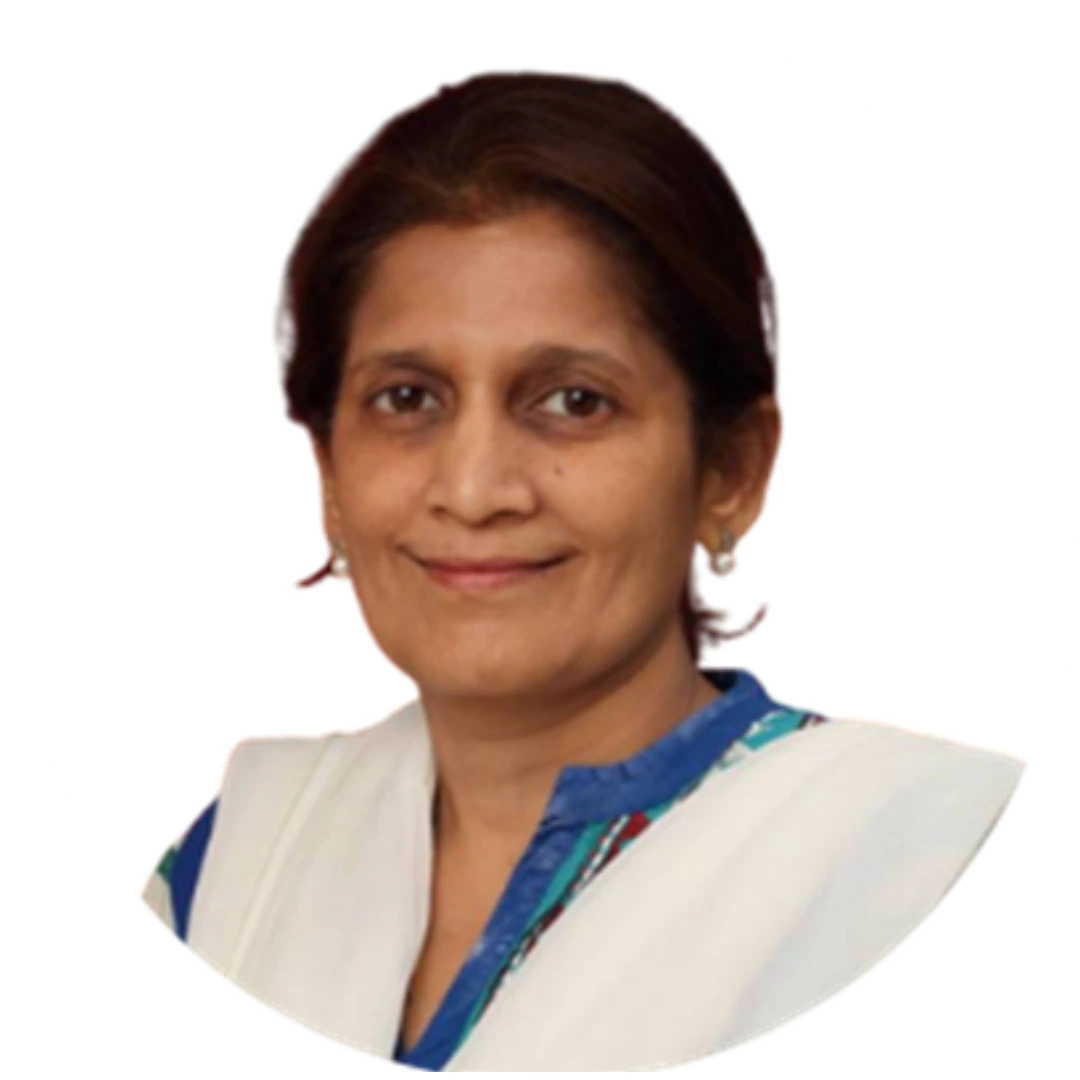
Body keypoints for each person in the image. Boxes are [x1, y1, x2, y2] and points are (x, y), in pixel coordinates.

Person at [140, 71, 1027, 1071]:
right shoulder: (236, 866)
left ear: (730, 471)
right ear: (331, 474)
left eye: (573, 400)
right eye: (407, 399)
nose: (474, 489)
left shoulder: (924, 862)